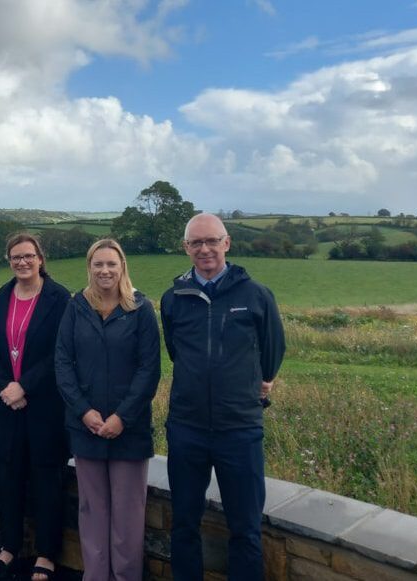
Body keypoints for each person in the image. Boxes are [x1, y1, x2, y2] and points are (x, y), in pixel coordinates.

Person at [161, 213, 285, 581]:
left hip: (239, 427)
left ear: (226, 243)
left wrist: (262, 381)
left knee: (245, 528)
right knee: (184, 523)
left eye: (212, 240)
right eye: (196, 242)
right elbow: (175, 352)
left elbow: (273, 350)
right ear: (186, 248)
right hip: (187, 427)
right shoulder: (173, 299)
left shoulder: (256, 295)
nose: (205, 249)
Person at [54, 238, 161, 581]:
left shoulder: (140, 309)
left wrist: (122, 417)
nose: (105, 270)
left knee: (128, 514)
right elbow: (63, 362)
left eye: (111, 264)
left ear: (122, 267)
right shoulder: (76, 307)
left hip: (129, 429)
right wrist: (83, 411)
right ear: (89, 267)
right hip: (86, 426)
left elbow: (149, 369)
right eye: (98, 264)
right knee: (92, 510)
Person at [0, 233, 70, 581]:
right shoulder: (3, 295)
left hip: (45, 406)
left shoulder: (59, 298)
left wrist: (26, 386)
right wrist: (7, 385)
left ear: (40, 258)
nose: (22, 262)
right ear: (9, 261)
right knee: (8, 476)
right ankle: (9, 547)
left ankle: (47, 554)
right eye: (15, 257)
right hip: (8, 403)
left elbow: (60, 352)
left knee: (47, 478)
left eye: (28, 256)